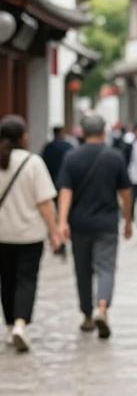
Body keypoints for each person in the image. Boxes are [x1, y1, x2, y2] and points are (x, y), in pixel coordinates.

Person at [57, 113, 132, 338]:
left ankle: (87, 315)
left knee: (82, 270)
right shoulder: (115, 157)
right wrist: (128, 219)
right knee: (106, 267)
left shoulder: (71, 157)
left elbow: (65, 191)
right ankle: (102, 307)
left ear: (83, 132)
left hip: (79, 223)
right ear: (104, 131)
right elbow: (126, 192)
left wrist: (62, 221)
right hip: (107, 222)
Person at [0, 115, 61, 352]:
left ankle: (9, 326)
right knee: (26, 279)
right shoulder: (32, 162)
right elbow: (45, 202)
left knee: (7, 280)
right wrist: (54, 231)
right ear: (22, 136)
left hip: (2, 234)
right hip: (29, 234)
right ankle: (20, 324)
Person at [41, 125, 73, 258]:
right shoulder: (68, 146)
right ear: (62, 133)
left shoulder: (47, 147)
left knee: (53, 213)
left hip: (50, 184)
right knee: (63, 213)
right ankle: (62, 239)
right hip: (65, 185)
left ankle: (55, 238)